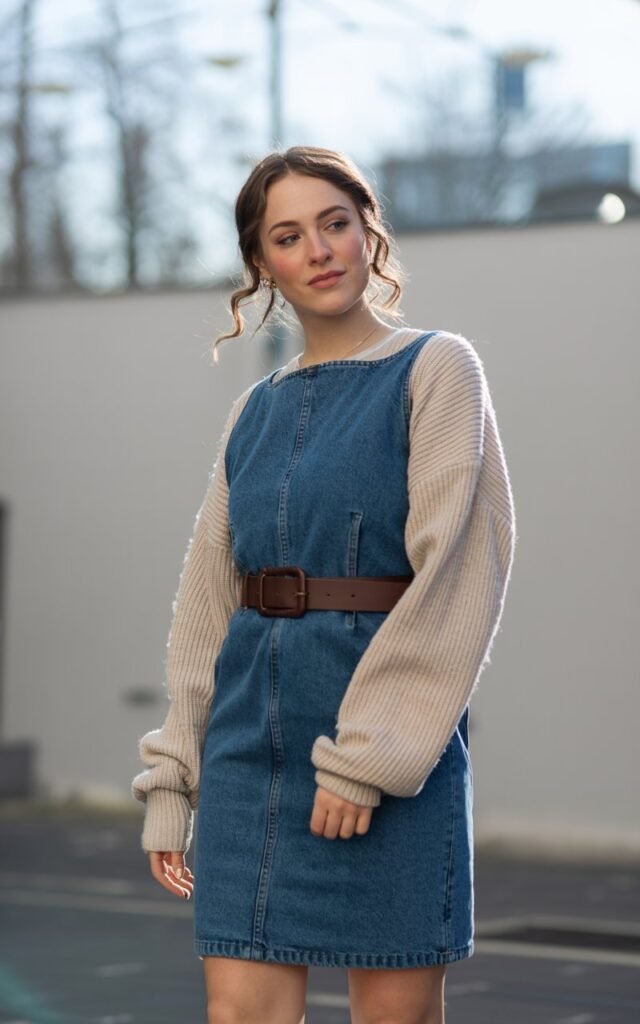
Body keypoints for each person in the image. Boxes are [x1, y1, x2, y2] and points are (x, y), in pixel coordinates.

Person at [132, 145, 516, 1024]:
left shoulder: (438, 368)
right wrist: (173, 781)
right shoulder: (254, 408)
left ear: (368, 231)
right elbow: (205, 608)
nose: (319, 250)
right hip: (245, 757)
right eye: (289, 235)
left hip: (385, 750)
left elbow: (460, 576)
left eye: (335, 224)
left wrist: (367, 759)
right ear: (261, 263)